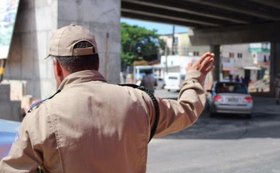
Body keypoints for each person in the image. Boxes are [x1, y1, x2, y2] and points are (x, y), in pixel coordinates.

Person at [0, 24, 215, 173]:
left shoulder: (40, 118)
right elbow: (187, 110)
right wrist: (194, 78)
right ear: (96, 62)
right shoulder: (140, 101)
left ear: (57, 67)